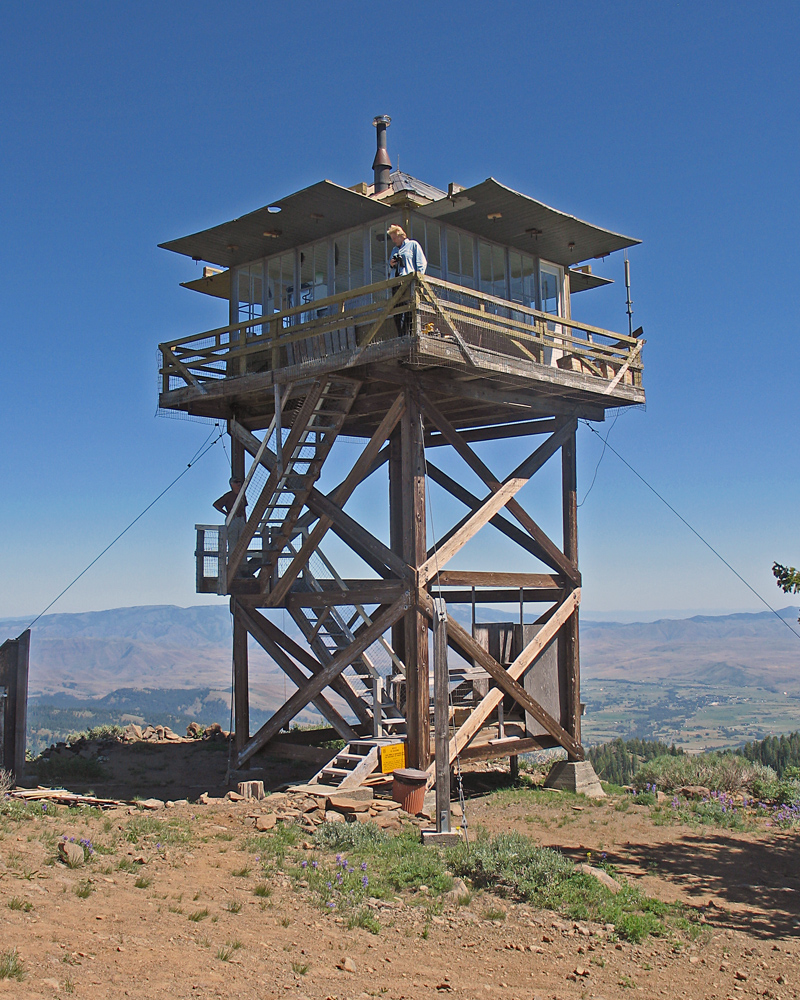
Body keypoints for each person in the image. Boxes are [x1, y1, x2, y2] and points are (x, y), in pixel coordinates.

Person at [388, 225, 426, 335]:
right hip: (396, 282)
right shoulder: (394, 250)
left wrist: (419, 278)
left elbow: (421, 263)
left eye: (395, 238)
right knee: (396, 310)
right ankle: (401, 334)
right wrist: (391, 264)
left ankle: (408, 332)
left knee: (409, 307)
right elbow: (389, 267)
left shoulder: (413, 245)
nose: (394, 241)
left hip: (408, 281)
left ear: (401, 235)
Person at [213, 477, 248, 559]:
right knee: (233, 543)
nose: (239, 484)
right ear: (232, 484)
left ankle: (243, 564)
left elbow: (244, 509)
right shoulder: (228, 496)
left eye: (239, 482)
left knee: (243, 542)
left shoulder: (242, 495)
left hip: (241, 519)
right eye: (236, 482)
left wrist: (245, 521)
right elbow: (216, 504)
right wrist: (227, 514)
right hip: (233, 520)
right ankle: (232, 563)